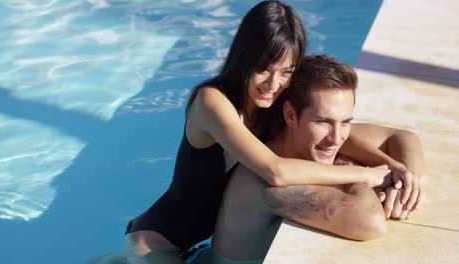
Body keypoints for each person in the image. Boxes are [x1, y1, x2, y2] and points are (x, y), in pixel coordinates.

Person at [119, 1, 420, 263]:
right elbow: (275, 171)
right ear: (243, 59)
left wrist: (396, 169)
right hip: (155, 244)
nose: (273, 83)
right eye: (263, 68)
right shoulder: (212, 103)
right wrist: (366, 175)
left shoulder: (273, 103)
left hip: (201, 242)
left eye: (286, 72)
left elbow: (348, 137)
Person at [199, 55, 425, 263]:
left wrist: (405, 182)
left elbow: (403, 137)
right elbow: (369, 222)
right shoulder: (263, 181)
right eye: (323, 122)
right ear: (290, 115)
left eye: (345, 121)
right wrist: (347, 166)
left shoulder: (310, 138)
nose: (336, 138)